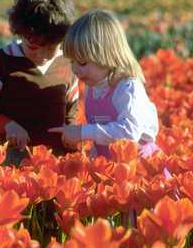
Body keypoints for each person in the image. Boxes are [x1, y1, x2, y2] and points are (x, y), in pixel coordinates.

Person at [0, 0, 78, 164]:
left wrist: (73, 139)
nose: (41, 55)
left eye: (49, 47)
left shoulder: (67, 63)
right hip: (14, 156)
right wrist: (8, 125)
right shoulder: (3, 60)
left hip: (56, 160)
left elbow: (70, 113)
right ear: (20, 34)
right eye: (33, 47)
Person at [49, 9, 161, 160]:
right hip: (111, 165)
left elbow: (129, 133)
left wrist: (82, 133)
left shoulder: (127, 88)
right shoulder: (93, 87)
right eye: (72, 62)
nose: (75, 69)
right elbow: (102, 136)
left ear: (106, 55)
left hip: (138, 165)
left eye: (82, 63)